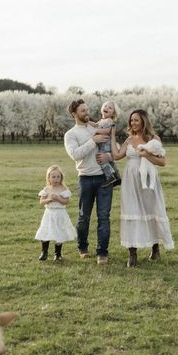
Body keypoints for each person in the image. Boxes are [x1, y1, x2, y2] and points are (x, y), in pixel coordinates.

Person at [111, 109, 174, 267]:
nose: (133, 123)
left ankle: (155, 247)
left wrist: (146, 155)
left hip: (148, 180)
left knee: (150, 210)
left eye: (136, 120)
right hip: (130, 181)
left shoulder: (153, 139)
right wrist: (111, 136)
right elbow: (117, 155)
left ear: (143, 121)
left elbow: (163, 162)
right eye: (131, 120)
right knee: (132, 211)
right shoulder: (129, 139)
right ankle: (132, 253)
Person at [64, 99, 114, 265]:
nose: (87, 113)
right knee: (84, 216)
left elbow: (114, 147)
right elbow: (75, 154)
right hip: (85, 178)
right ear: (74, 114)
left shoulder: (98, 127)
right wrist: (94, 141)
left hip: (104, 178)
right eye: (83, 111)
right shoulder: (70, 134)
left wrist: (109, 156)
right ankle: (82, 247)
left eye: (87, 109)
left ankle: (102, 252)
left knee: (104, 216)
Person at [35, 165, 76, 261]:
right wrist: (49, 199)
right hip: (49, 214)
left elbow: (66, 201)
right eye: (53, 177)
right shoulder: (46, 189)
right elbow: (41, 202)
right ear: (48, 178)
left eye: (58, 177)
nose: (56, 179)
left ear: (61, 177)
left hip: (60, 214)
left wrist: (58, 198)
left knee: (59, 232)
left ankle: (57, 254)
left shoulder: (63, 189)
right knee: (46, 231)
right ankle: (44, 252)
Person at [88, 100, 122, 188]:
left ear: (113, 113)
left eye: (110, 108)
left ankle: (110, 176)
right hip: (104, 144)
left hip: (106, 144)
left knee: (101, 160)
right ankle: (117, 177)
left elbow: (107, 131)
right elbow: (95, 125)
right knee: (110, 162)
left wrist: (95, 131)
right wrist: (87, 122)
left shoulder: (109, 120)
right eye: (105, 106)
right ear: (102, 108)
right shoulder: (101, 121)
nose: (107, 108)